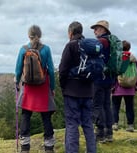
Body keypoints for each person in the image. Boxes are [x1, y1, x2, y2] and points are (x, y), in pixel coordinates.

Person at [15, 25, 56, 153]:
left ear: (29, 36)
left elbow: (18, 70)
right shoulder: (46, 49)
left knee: (26, 115)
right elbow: (51, 71)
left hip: (28, 88)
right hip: (43, 87)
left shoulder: (23, 49)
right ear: (40, 35)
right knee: (46, 116)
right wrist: (52, 87)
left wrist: (17, 82)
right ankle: (49, 147)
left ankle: (25, 147)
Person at [59, 21, 96, 153]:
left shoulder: (70, 46)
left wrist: (63, 88)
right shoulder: (90, 47)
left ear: (70, 32)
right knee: (88, 124)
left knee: (72, 124)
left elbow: (62, 70)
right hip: (88, 91)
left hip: (72, 92)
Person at [90, 20, 114, 143]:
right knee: (106, 105)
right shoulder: (110, 42)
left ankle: (100, 133)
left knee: (97, 105)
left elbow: (92, 53)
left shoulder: (102, 41)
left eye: (97, 29)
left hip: (99, 78)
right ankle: (109, 132)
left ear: (103, 30)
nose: (94, 31)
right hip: (109, 78)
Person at [111, 40, 137, 132]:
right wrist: (136, 86)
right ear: (129, 48)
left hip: (117, 88)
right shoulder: (133, 59)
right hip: (130, 88)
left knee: (115, 106)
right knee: (129, 107)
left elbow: (113, 72)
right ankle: (130, 125)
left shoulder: (116, 58)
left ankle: (115, 124)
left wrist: (112, 86)